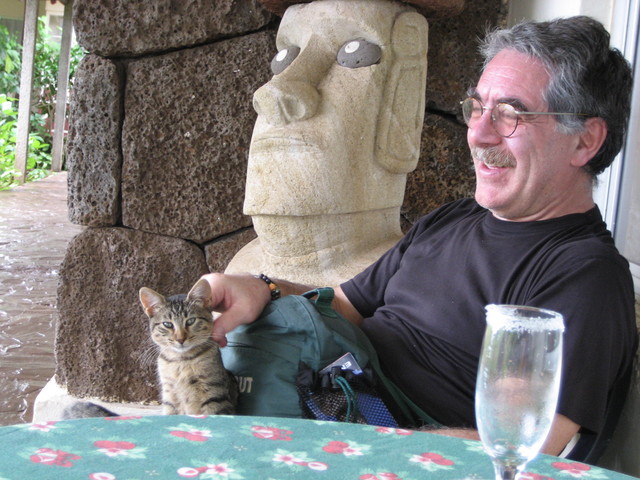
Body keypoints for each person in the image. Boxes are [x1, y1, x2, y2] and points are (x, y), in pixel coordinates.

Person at [203, 15, 637, 457]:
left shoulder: (585, 277)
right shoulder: (454, 219)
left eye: (510, 114)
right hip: (324, 414)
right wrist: (263, 288)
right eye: (477, 107)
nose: (478, 133)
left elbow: (522, 452)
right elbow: (345, 306)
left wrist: (359, 448)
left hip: (364, 454)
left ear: (585, 142)